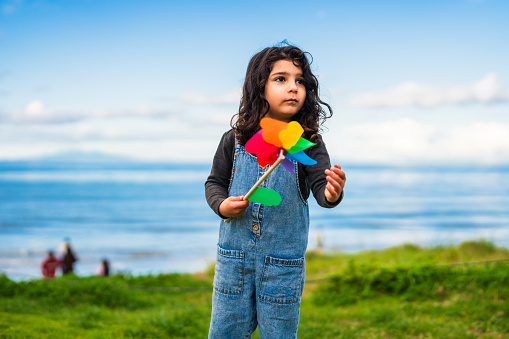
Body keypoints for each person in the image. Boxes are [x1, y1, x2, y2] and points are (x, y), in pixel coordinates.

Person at [205, 43, 346, 338]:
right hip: (234, 261)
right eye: (281, 79)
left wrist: (332, 193)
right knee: (224, 333)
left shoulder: (310, 142)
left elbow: (321, 188)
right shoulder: (234, 140)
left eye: (300, 81)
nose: (293, 87)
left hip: (283, 266)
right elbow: (214, 183)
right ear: (260, 87)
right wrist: (222, 206)